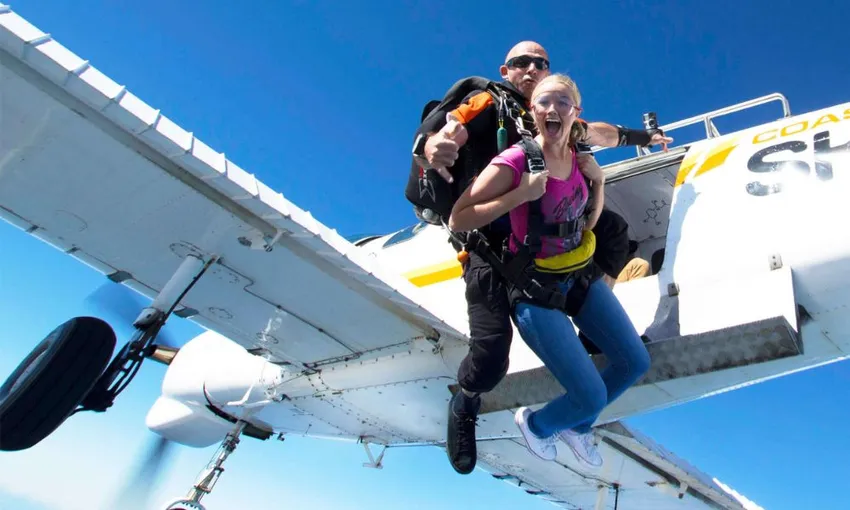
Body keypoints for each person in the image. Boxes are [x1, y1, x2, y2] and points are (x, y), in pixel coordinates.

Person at [409, 41, 671, 475]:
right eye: (522, 62)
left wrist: (644, 137)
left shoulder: (556, 117)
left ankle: (590, 332)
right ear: (505, 69)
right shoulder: (488, 102)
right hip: (489, 242)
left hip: (545, 237)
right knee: (492, 356)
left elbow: (600, 133)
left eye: (541, 63)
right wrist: (431, 147)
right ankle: (466, 401)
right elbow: (449, 126)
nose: (531, 68)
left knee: (614, 233)